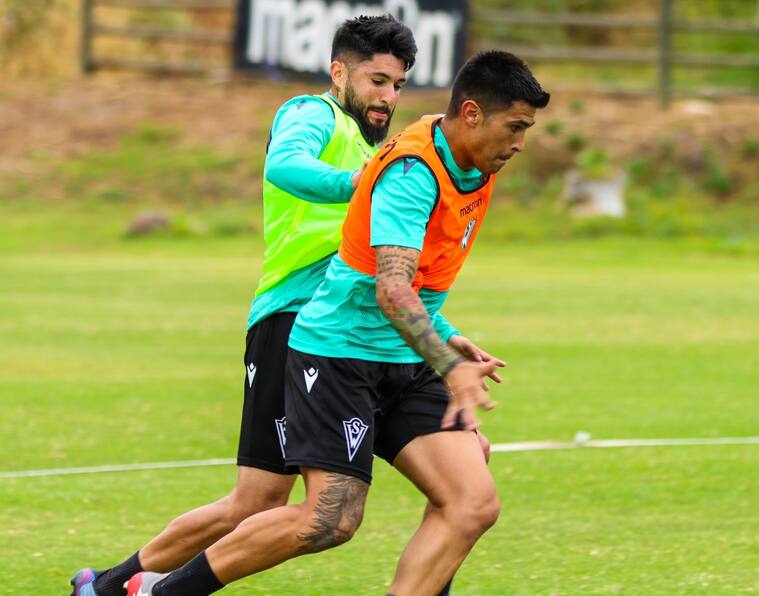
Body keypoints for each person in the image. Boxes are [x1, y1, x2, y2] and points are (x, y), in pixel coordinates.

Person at [125, 50, 549, 596]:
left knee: (471, 501)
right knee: (330, 518)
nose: (520, 143)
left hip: (400, 355)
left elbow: (417, 284)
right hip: (339, 354)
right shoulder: (412, 171)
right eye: (515, 127)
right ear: (472, 114)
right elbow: (391, 288)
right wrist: (449, 365)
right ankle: (156, 591)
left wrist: (445, 336)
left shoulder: (469, 164)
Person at [69, 14, 427, 596]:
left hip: (346, 329)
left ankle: (107, 587)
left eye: (398, 85)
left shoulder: (377, 146)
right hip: (294, 319)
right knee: (260, 501)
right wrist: (358, 182)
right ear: (339, 72)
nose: (388, 97)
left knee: (259, 501)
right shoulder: (313, 114)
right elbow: (284, 165)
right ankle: (115, 587)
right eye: (377, 81)